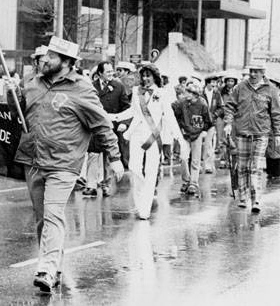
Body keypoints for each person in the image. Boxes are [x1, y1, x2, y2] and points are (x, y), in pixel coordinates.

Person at [7, 36, 124, 293]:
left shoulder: (82, 89)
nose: (44, 60)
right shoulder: (32, 83)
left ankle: (46, 269)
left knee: (52, 214)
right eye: (45, 55)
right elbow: (17, 113)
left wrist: (114, 157)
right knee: (42, 219)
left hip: (63, 163)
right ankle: (54, 266)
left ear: (67, 62)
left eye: (51, 57)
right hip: (33, 159)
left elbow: (102, 124)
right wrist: (12, 93)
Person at [118, 63, 181, 220]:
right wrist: (114, 117)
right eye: (143, 75)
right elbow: (132, 111)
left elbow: (169, 116)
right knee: (134, 169)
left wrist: (179, 137)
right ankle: (139, 202)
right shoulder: (135, 91)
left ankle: (144, 208)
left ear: (155, 77)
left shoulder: (162, 93)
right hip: (137, 134)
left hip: (153, 136)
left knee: (151, 172)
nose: (145, 79)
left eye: (149, 75)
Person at [224, 62, 280, 213]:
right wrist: (228, 123)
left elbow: (275, 113)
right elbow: (229, 106)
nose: (253, 74)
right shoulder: (240, 87)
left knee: (255, 167)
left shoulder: (271, 90)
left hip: (261, 133)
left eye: (257, 71)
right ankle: (243, 197)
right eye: (251, 71)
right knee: (242, 167)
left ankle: (256, 200)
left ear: (263, 72)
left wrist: (277, 133)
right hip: (242, 132)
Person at [84, 60, 130, 197]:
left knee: (109, 157)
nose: (111, 74)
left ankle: (106, 184)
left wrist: (125, 122)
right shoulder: (91, 87)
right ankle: (90, 185)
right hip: (95, 127)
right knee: (93, 155)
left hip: (111, 126)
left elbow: (126, 107)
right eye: (108, 72)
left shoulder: (119, 86)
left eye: (112, 71)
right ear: (99, 74)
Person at [173, 82, 212, 196]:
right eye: (187, 91)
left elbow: (208, 120)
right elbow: (173, 112)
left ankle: (193, 183)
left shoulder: (203, 104)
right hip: (185, 134)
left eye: (190, 92)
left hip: (197, 134)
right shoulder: (181, 103)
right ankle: (186, 180)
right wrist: (179, 127)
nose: (187, 94)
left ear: (196, 94)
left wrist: (204, 130)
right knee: (183, 158)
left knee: (195, 160)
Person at [202, 75, 224, 174]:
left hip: (211, 122)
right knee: (198, 144)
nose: (214, 84)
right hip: (200, 121)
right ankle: (197, 165)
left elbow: (221, 107)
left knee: (209, 144)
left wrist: (214, 115)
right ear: (207, 83)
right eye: (212, 82)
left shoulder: (217, 94)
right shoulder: (200, 93)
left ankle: (208, 165)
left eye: (215, 82)